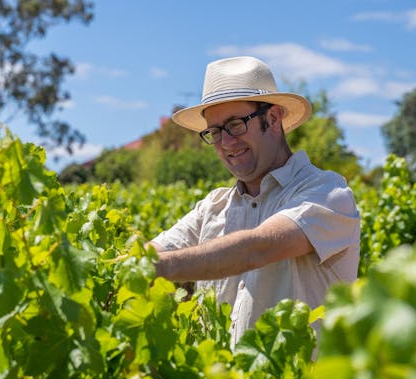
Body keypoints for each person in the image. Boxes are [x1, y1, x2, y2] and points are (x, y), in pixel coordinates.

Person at [148, 56, 360, 347]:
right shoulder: (212, 208)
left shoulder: (327, 192)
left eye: (235, 125)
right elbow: (152, 252)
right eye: (215, 132)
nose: (225, 143)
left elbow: (257, 248)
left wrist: (160, 268)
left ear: (273, 119)